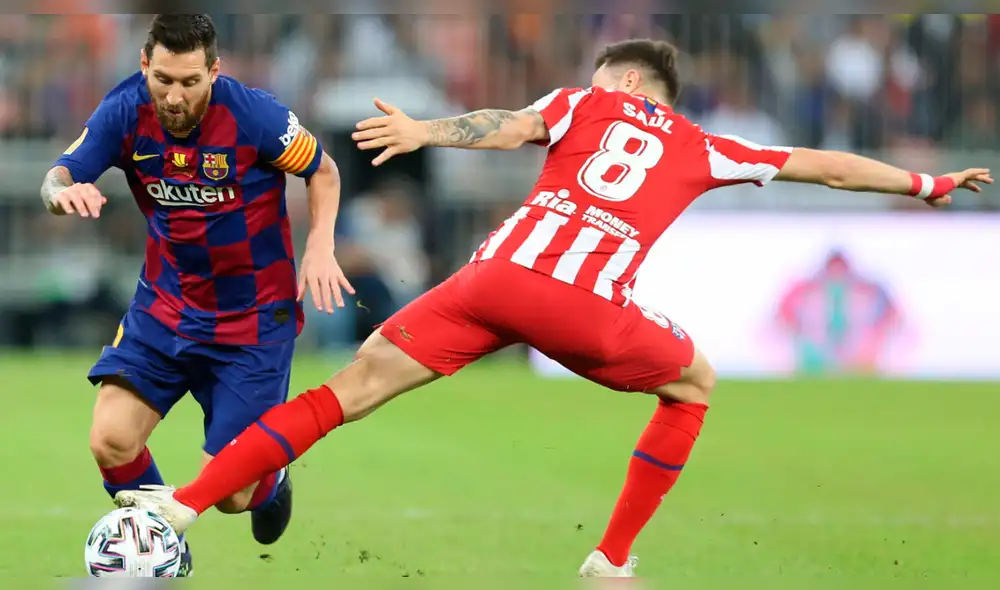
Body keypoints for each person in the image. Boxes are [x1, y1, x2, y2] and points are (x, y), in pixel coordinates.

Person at [115, 38, 991, 577]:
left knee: (349, 390)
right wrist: (926, 183)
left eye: (610, 80)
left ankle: (185, 504)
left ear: (632, 88)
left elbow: (502, 123)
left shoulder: (577, 103)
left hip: (492, 280)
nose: (599, 88)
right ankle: (610, 560)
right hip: (582, 306)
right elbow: (824, 165)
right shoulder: (706, 143)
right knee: (693, 384)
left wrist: (424, 131)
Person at [40, 14, 353, 576]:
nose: (175, 95)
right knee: (111, 440)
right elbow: (58, 174)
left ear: (214, 70)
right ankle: (167, 552)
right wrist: (62, 194)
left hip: (253, 320)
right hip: (165, 307)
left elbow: (323, 170)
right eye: (163, 80)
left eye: (190, 82)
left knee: (233, 495)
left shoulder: (255, 115)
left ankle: (272, 478)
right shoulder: (124, 110)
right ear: (144, 65)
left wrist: (321, 247)